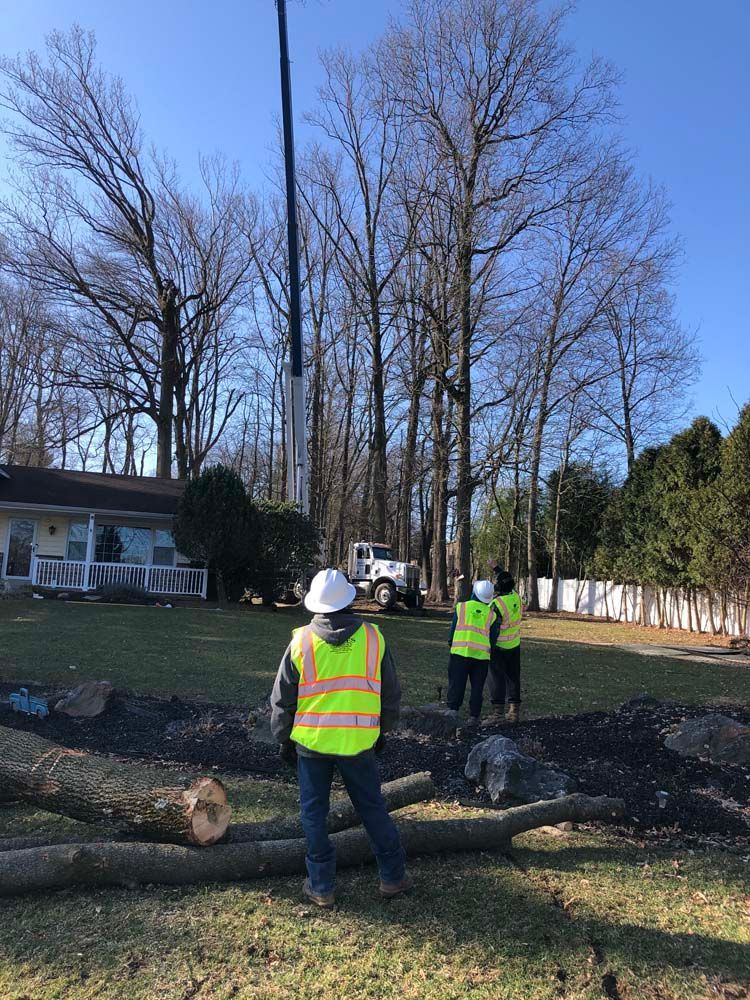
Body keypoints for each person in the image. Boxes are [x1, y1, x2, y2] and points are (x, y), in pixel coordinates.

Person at [270, 568, 412, 909]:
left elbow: (281, 698)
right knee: (372, 808)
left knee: (314, 814)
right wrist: (383, 731)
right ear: (348, 600)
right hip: (358, 743)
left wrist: (282, 738)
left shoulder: (301, 641)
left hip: (312, 744)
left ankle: (321, 885)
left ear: (316, 605)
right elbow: (390, 695)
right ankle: (392, 876)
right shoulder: (374, 638)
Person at [446, 579, 499, 726]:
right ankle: (474, 716)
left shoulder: (461, 607)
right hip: (481, 657)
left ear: (475, 592)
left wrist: (451, 643)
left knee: (456, 683)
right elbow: (493, 638)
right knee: (477, 687)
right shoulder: (491, 615)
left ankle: (452, 711)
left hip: (459, 653)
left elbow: (452, 630)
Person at [489, 571, 523, 723]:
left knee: (497, 678)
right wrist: (496, 568)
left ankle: (498, 713)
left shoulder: (497, 604)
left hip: (499, 647)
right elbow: (507, 578)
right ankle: (514, 711)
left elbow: (493, 629)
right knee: (513, 677)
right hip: (514, 645)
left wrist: (488, 646)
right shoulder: (516, 597)